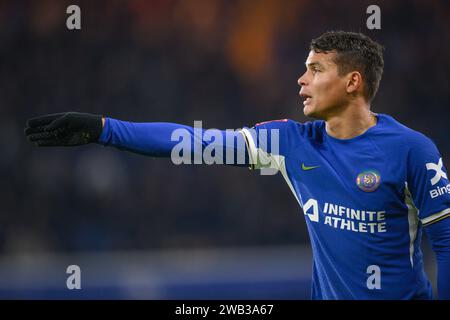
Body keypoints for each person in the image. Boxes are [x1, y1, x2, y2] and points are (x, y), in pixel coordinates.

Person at [24, 31, 450, 300]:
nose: (301, 80)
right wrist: (104, 129)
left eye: (315, 69)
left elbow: (446, 246)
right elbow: (194, 142)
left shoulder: (412, 150)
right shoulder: (290, 143)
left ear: (353, 82)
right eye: (303, 69)